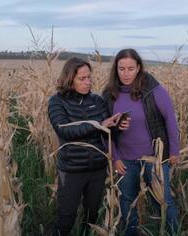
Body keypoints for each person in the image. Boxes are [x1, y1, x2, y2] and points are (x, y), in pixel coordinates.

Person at [102, 49, 180, 235]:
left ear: (138, 68)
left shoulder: (154, 90)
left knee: (163, 202)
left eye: (131, 68)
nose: (126, 73)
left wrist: (174, 151)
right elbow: (105, 131)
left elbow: (170, 120)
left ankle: (173, 232)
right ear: (116, 69)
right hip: (125, 160)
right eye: (122, 68)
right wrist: (115, 158)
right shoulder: (108, 94)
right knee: (127, 202)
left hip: (154, 158)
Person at [48, 57, 129, 236]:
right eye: (82, 79)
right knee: (66, 218)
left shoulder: (97, 100)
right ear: (70, 79)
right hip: (71, 170)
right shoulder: (56, 102)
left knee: (91, 217)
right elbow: (64, 130)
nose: (87, 82)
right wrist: (99, 124)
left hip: (97, 169)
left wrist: (117, 127)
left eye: (89, 78)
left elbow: (105, 134)